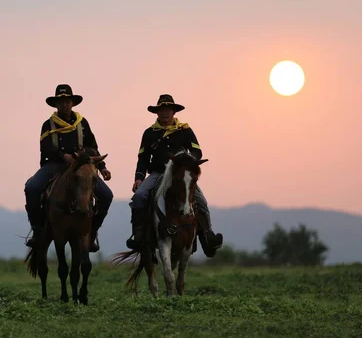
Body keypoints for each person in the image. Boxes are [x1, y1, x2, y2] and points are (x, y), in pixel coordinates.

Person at [127, 94, 223, 257]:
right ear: (156, 112)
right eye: (161, 110)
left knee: (201, 201)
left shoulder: (185, 130)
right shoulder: (149, 133)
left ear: (174, 111)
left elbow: (197, 151)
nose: (165, 113)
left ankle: (207, 235)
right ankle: (139, 235)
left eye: (168, 109)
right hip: (158, 173)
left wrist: (187, 161)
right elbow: (143, 158)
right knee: (139, 197)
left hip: (179, 174)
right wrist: (139, 178)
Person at [24, 84, 113, 252]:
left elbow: (92, 147)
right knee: (32, 188)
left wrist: (102, 167)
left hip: (80, 167)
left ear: (72, 103)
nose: (65, 104)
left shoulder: (82, 122)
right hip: (55, 165)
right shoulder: (48, 124)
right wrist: (64, 156)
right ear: (56, 104)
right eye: (61, 101)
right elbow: (46, 148)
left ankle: (92, 231)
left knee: (106, 195)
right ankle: (37, 230)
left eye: (68, 101)